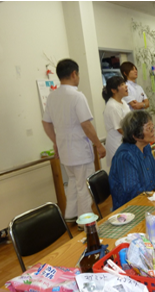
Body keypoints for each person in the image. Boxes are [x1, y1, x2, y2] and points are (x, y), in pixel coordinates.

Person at [42, 59, 106, 226]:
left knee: (72, 183)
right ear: (73, 74)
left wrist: (56, 142)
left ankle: (70, 215)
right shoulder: (77, 96)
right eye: (78, 74)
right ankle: (85, 221)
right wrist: (98, 144)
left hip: (64, 151)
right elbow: (86, 124)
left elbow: (46, 123)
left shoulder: (52, 96)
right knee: (84, 185)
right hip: (79, 150)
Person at [109, 111, 155, 210]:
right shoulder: (125, 156)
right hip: (132, 209)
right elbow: (134, 193)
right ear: (135, 135)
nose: (153, 131)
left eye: (152, 127)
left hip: (151, 199)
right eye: (149, 128)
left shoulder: (146, 147)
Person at [102, 76, 130, 168]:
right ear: (113, 90)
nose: (126, 86)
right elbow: (120, 129)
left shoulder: (123, 103)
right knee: (121, 170)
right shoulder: (112, 106)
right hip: (117, 143)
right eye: (122, 84)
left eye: (125, 83)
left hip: (126, 141)